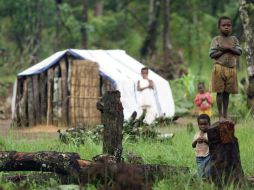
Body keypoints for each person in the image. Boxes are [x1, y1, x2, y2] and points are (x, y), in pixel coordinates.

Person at [209, 16, 242, 120]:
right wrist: (227, 50)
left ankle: (225, 114)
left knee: (227, 93)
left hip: (231, 69)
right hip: (219, 68)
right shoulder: (216, 39)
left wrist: (226, 48)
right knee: (220, 92)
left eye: (229, 25)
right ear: (219, 27)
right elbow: (212, 54)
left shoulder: (234, 39)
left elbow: (239, 52)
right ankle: (220, 116)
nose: (226, 27)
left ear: (231, 27)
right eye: (224, 25)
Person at [192, 114, 211, 178]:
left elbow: (212, 144)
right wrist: (196, 141)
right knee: (200, 169)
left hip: (207, 156)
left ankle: (206, 178)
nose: (203, 126)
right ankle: (199, 177)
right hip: (199, 157)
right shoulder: (197, 134)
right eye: (201, 124)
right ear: (198, 125)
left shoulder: (209, 134)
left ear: (209, 124)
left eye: (205, 124)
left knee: (207, 170)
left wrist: (205, 140)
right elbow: (193, 145)